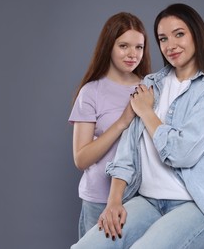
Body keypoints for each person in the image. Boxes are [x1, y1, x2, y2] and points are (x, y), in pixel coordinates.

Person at [71, 2, 204, 249]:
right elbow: (127, 151)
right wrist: (114, 200)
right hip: (148, 202)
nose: (171, 45)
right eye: (163, 38)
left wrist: (146, 112)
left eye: (179, 34)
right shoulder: (151, 83)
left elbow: (182, 153)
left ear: (197, 36)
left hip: (196, 205)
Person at [68, 12, 151, 239]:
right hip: (98, 200)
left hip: (141, 198)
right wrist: (122, 122)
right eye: (124, 46)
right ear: (109, 46)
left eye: (139, 47)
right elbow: (81, 159)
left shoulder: (150, 88)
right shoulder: (91, 92)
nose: (132, 54)